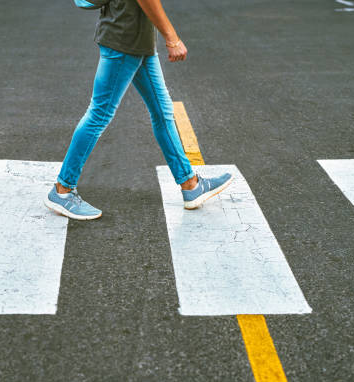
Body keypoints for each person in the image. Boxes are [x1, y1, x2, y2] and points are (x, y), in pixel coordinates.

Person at [44, 0, 233, 220]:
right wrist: (171, 37)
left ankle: (190, 184)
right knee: (99, 115)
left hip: (139, 40)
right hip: (124, 41)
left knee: (163, 112)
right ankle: (63, 190)